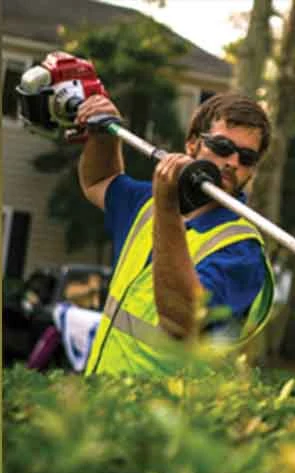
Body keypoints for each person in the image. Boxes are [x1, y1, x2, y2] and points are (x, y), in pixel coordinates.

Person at [74, 93, 275, 375]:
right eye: (222, 146)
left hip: (169, 415)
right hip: (104, 399)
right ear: (192, 144)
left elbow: (180, 322)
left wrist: (167, 206)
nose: (232, 162)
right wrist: (104, 132)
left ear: (253, 169)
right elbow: (98, 180)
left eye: (247, 157)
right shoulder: (148, 202)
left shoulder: (241, 249)